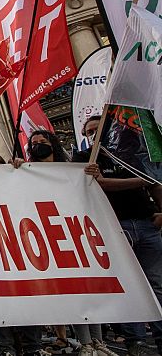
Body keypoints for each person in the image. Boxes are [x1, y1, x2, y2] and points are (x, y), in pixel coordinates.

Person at [76, 116, 161, 356]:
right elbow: (101, 185)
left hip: (147, 225)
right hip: (114, 227)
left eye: (98, 130)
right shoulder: (84, 160)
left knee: (157, 284)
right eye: (90, 132)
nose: (95, 134)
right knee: (126, 285)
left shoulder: (132, 155)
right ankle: (136, 341)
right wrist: (141, 180)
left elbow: (156, 184)